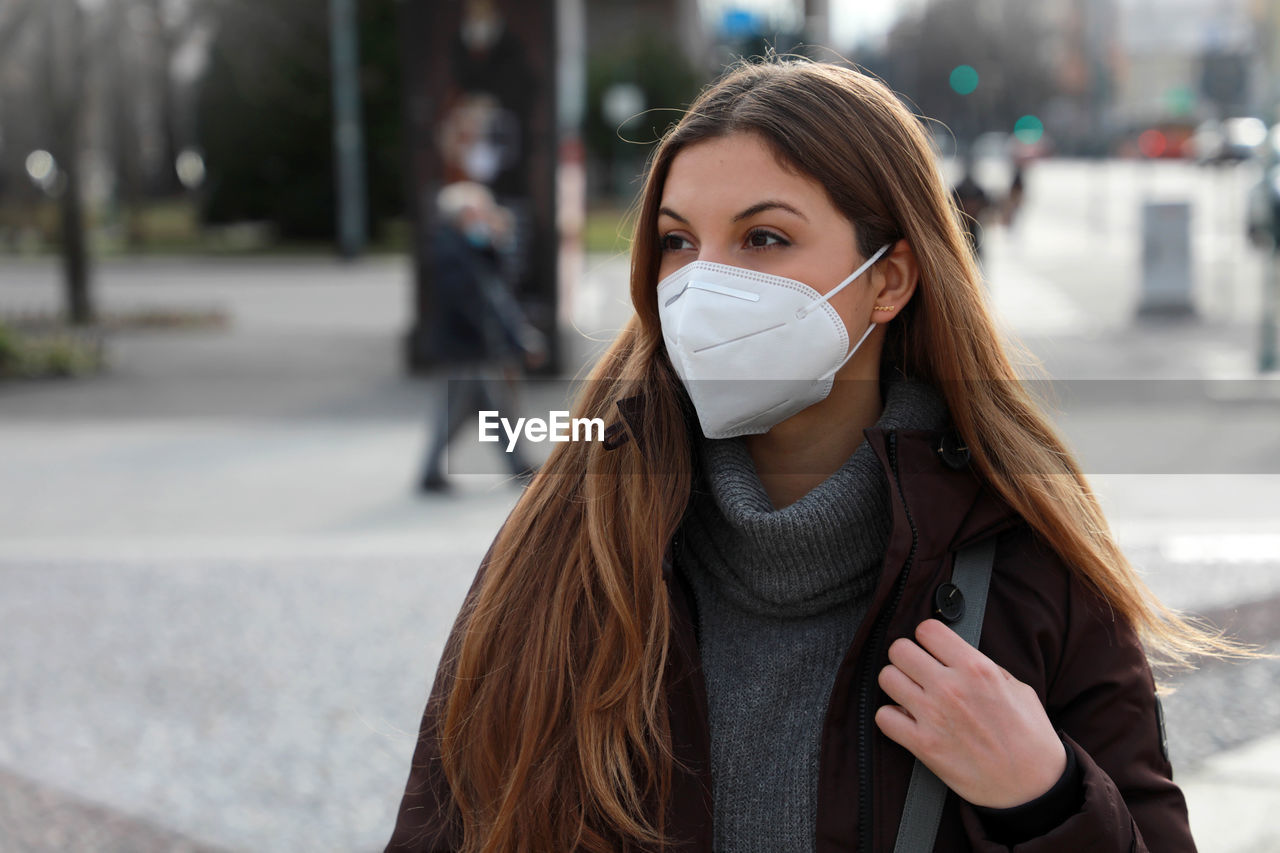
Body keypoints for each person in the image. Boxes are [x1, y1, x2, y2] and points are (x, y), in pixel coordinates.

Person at [388, 57, 1243, 851]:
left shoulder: (1032, 572)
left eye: (763, 239)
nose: (701, 286)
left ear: (890, 279)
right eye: (679, 242)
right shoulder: (565, 547)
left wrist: (1046, 797)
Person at [418, 181, 546, 492]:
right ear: (463, 214)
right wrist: (510, 340)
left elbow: (498, 282)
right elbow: (480, 302)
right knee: (457, 411)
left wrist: (494, 243)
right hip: (466, 347)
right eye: (480, 211)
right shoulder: (451, 251)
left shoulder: (467, 247)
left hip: (476, 346)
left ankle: (518, 465)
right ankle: (430, 471)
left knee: (495, 410)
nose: (486, 217)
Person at [951, 152, 992, 261]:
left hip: (973, 224)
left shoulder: (976, 189)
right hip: (962, 225)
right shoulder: (958, 189)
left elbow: (986, 205)